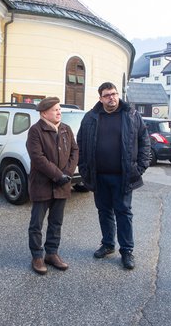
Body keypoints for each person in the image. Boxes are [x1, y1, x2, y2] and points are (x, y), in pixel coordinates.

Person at [77, 82, 151, 270]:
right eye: (107, 95)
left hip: (123, 176)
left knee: (124, 212)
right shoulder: (90, 117)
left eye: (114, 93)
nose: (112, 97)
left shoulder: (131, 115)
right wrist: (84, 169)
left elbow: (144, 141)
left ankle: (126, 250)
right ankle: (108, 244)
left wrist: (140, 167)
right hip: (99, 176)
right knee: (104, 211)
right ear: (100, 98)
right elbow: (81, 144)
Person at [26, 97, 79, 274]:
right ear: (44, 113)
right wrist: (58, 175)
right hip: (42, 184)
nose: (59, 112)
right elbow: (38, 158)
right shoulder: (35, 131)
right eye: (55, 109)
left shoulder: (66, 129)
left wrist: (69, 173)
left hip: (62, 184)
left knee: (56, 222)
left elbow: (74, 150)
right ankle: (37, 256)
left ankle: (52, 253)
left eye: (59, 109)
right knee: (36, 224)